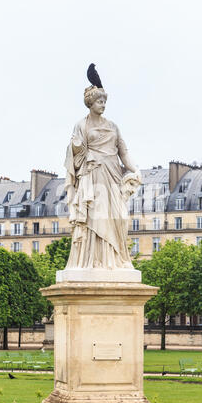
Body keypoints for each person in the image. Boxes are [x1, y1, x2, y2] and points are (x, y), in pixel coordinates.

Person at [64, 69, 141, 270]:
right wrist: (76, 147)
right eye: (100, 102)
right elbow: (74, 154)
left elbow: (123, 153)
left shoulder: (114, 127)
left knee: (119, 218)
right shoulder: (81, 125)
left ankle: (116, 258)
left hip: (112, 175)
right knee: (94, 218)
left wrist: (136, 170)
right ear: (91, 103)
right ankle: (93, 260)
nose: (103, 105)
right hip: (92, 175)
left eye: (105, 102)